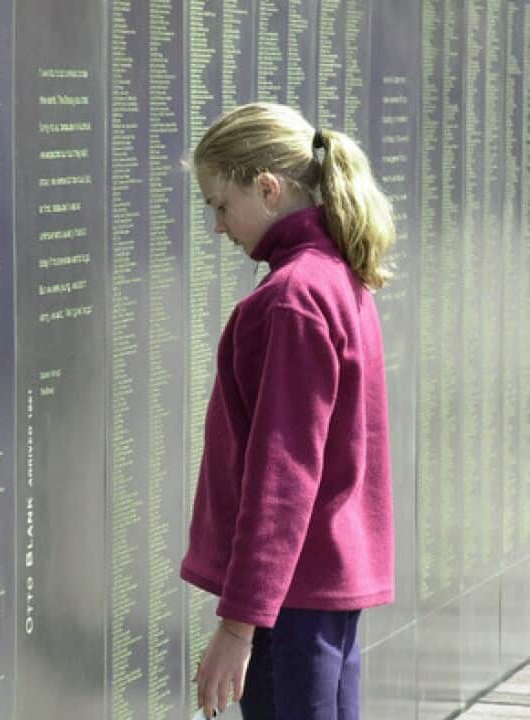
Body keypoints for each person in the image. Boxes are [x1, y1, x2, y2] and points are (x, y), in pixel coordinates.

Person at [181, 102, 397, 720]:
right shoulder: (334, 277)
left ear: (268, 189)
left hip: (289, 603)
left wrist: (239, 627)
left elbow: (284, 476)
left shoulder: (293, 299)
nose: (220, 227)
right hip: (315, 592)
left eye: (221, 205)